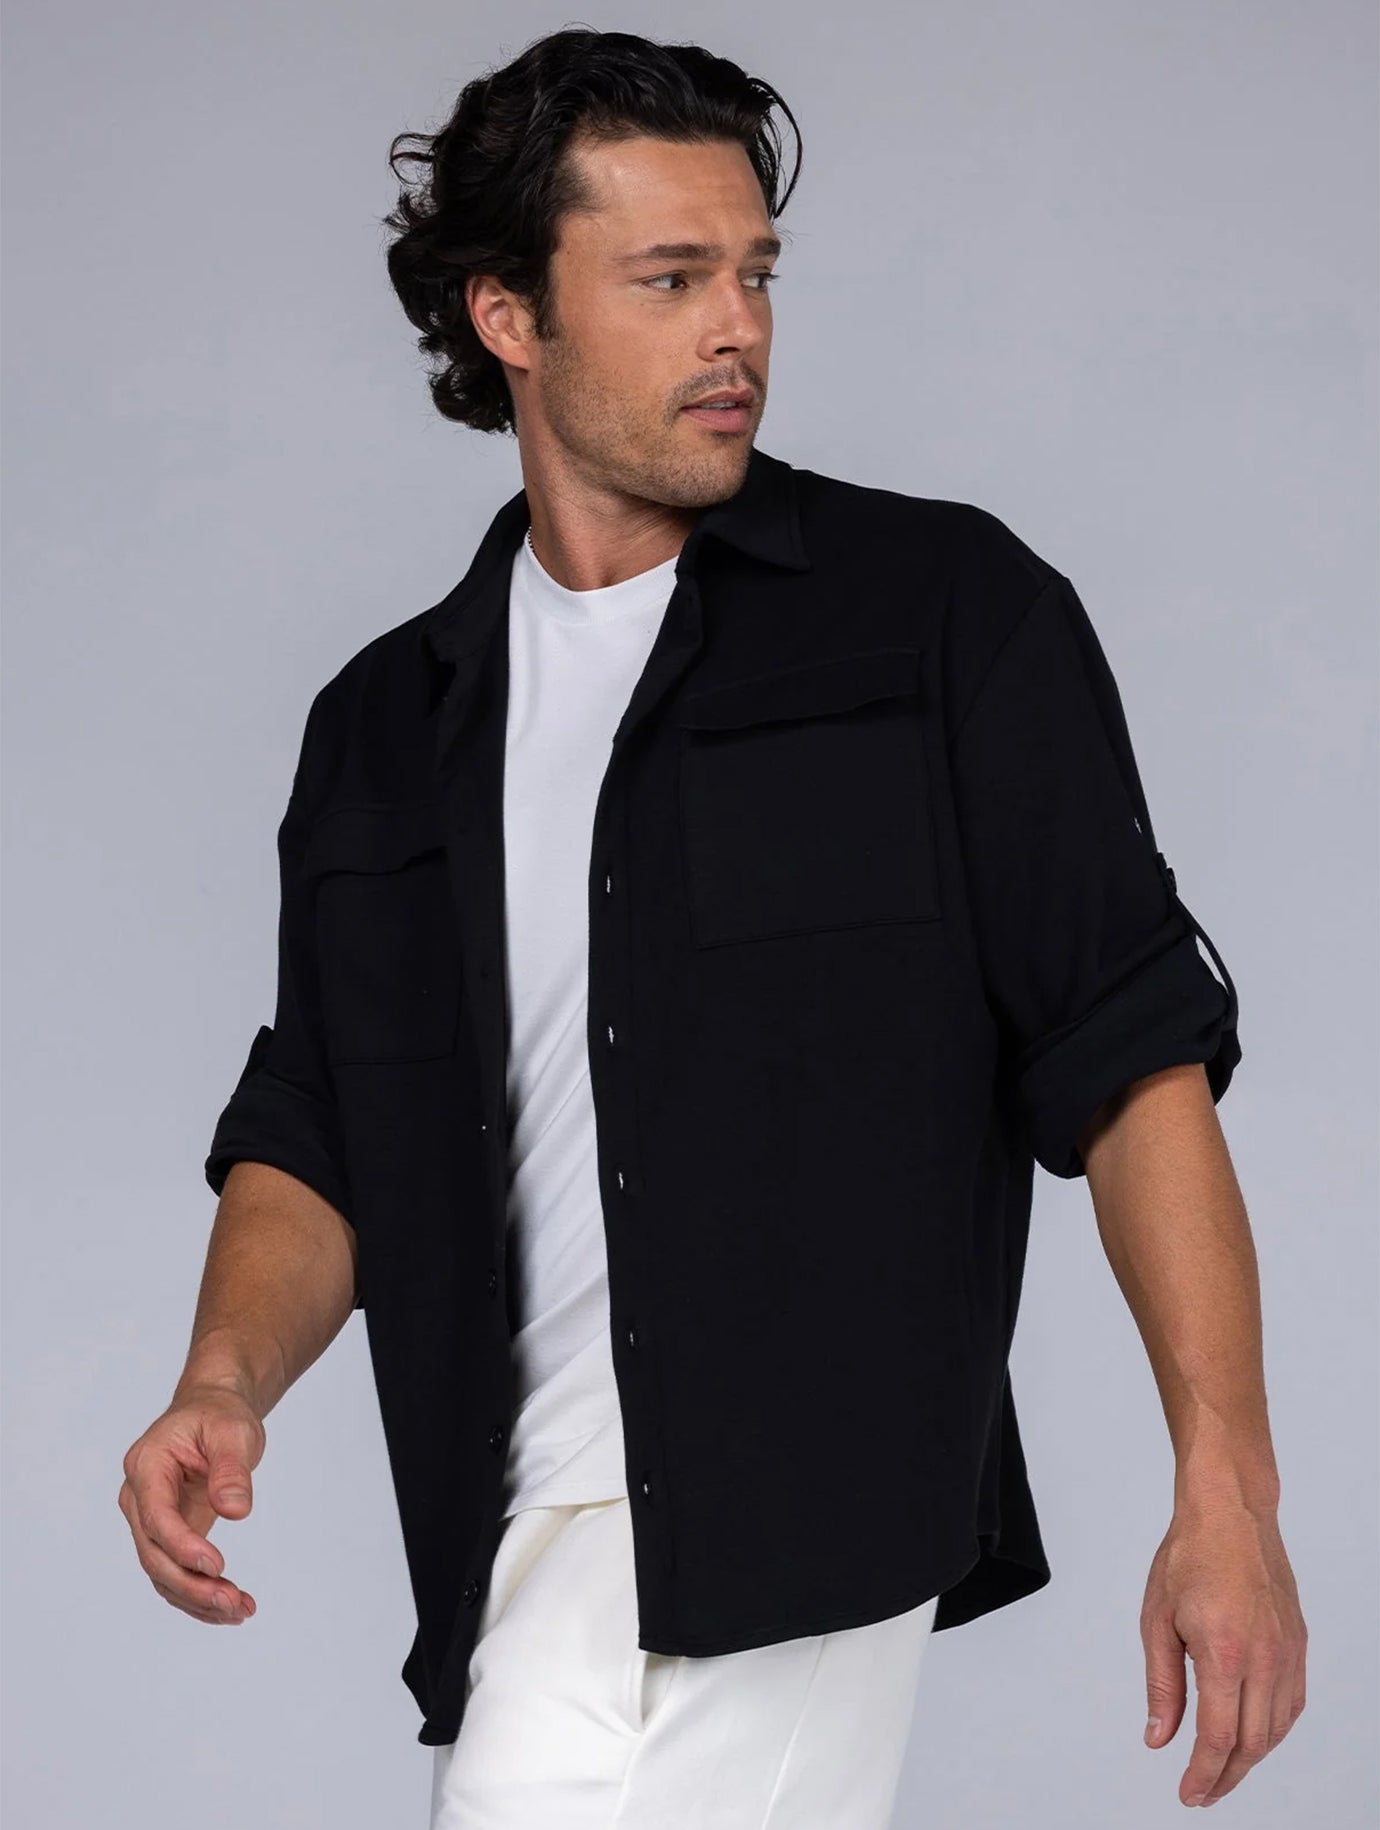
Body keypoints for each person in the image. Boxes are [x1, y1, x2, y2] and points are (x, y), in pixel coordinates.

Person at [117, 27, 1307, 1826]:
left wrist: (1228, 1488)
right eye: (670, 279)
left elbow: (1132, 1057)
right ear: (508, 315)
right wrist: (223, 1374)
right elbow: (323, 1125)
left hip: (792, 1529)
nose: (736, 326)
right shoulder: (382, 730)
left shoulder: (941, 620)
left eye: (754, 272)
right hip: (516, 1545)